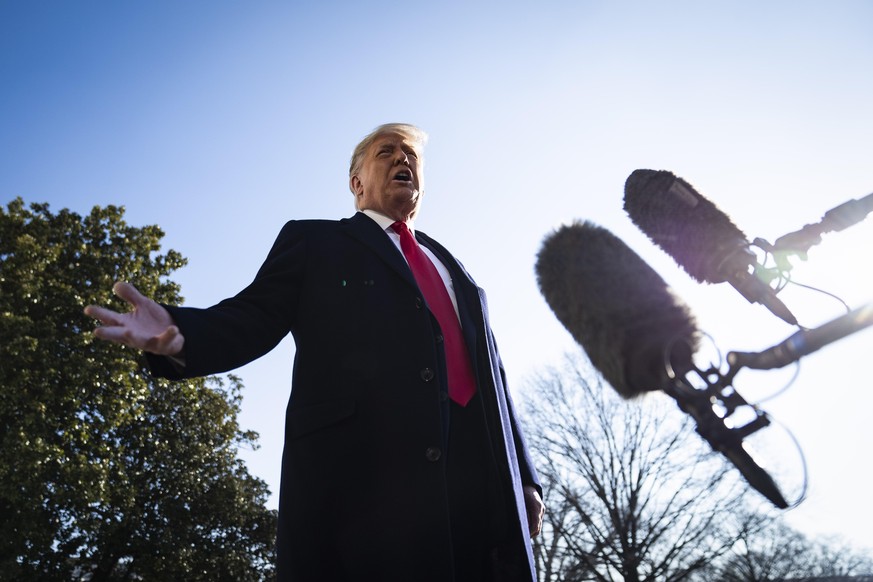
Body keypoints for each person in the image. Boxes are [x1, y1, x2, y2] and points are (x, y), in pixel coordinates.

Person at [85, 123, 544, 581]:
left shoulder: (457, 271)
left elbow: (495, 381)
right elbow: (253, 315)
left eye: (411, 156)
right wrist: (182, 332)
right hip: (364, 487)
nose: (402, 160)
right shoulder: (315, 242)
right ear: (356, 183)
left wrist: (522, 475)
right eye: (386, 152)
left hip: (478, 493)